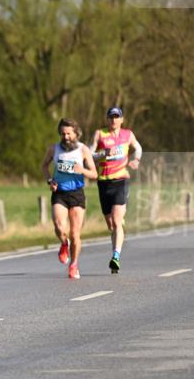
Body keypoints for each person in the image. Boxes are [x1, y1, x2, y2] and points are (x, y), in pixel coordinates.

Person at [42, 118, 98, 279]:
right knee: (60, 227)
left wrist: (82, 170)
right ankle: (63, 243)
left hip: (77, 193)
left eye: (69, 134)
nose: (65, 137)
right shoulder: (54, 149)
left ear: (76, 133)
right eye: (63, 134)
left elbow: (94, 174)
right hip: (59, 192)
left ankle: (73, 265)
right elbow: (44, 166)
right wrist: (49, 181)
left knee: (75, 234)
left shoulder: (83, 150)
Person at [90, 107, 142, 273]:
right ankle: (115, 252)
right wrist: (103, 153)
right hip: (104, 182)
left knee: (117, 220)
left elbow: (138, 148)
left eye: (116, 117)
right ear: (107, 119)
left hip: (121, 180)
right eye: (111, 117)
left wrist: (136, 159)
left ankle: (116, 256)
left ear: (122, 119)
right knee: (111, 224)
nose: (114, 120)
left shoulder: (128, 134)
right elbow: (90, 154)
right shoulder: (100, 134)